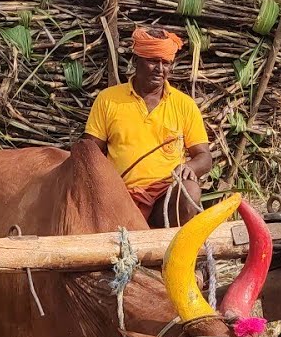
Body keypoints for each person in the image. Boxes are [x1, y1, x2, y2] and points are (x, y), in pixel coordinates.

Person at [82, 26, 213, 228]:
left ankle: (174, 254)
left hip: (165, 196)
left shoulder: (184, 104)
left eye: (166, 63)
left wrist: (190, 167)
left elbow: (204, 156)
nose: (160, 69)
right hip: (118, 198)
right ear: (137, 61)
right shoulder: (108, 99)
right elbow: (89, 152)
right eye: (153, 61)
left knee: (191, 190)